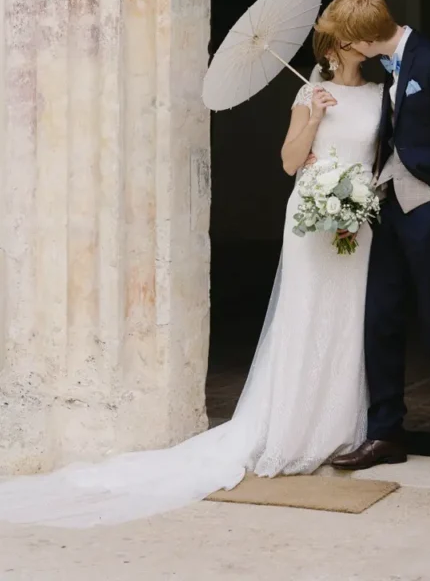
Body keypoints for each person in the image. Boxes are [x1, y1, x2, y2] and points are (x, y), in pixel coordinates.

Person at [0, 27, 383, 528]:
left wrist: (361, 193)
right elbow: (290, 162)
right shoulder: (308, 92)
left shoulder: (381, 95)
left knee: (350, 319)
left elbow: (384, 157)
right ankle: (294, 429)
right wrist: (314, 117)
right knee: (306, 313)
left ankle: (341, 428)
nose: (361, 45)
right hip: (311, 218)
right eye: (352, 38)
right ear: (333, 47)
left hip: (358, 220)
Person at [316, 0, 430, 476]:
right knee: (380, 319)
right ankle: (386, 433)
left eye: (346, 39)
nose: (342, 47)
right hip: (386, 208)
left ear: (365, 39)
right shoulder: (382, 72)